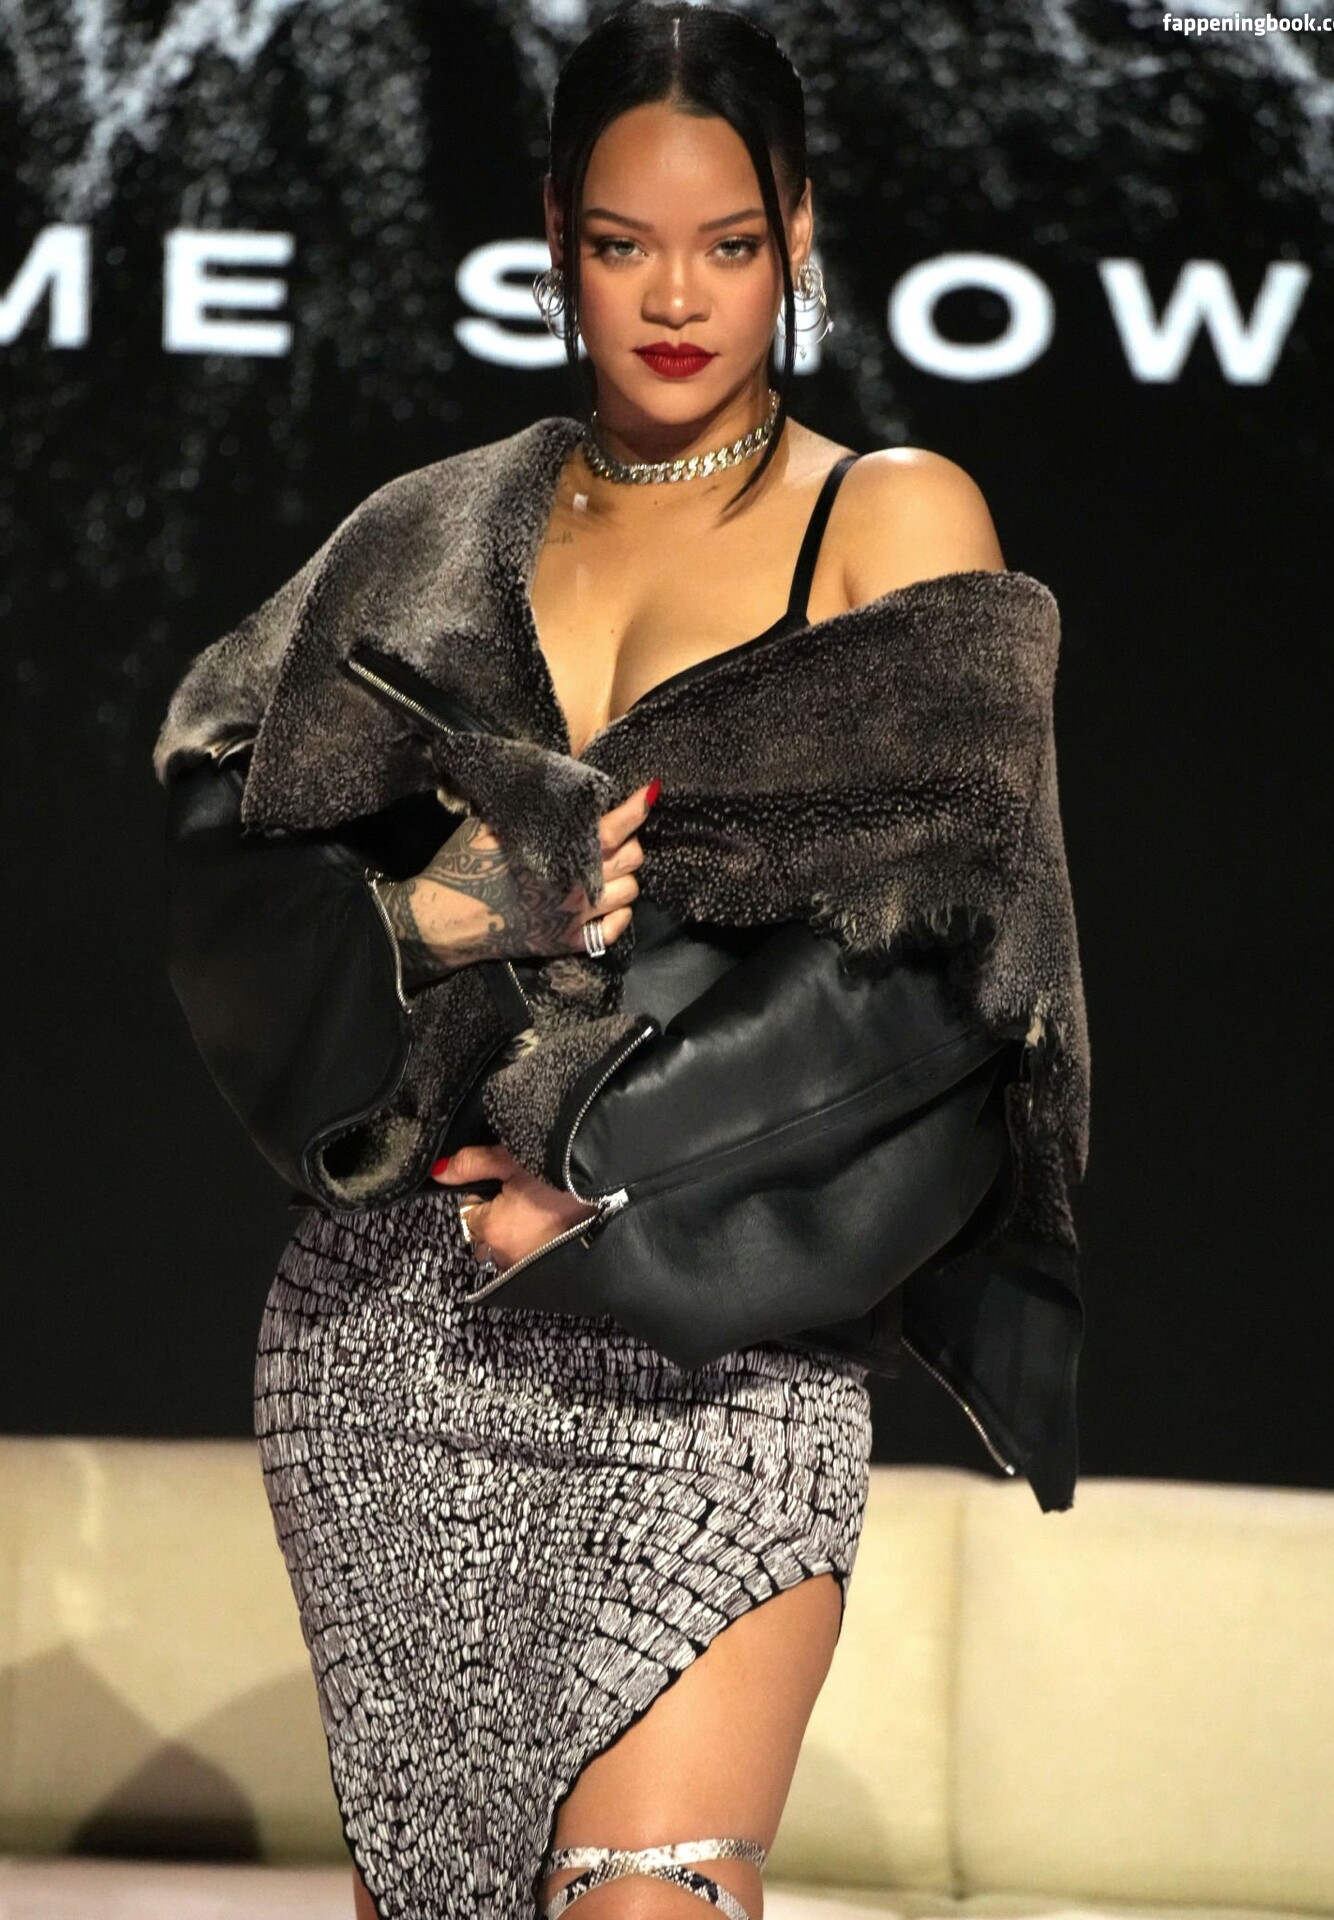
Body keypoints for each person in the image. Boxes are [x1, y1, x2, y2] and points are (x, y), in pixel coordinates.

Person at [158, 5, 1088, 1916]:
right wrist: (437, 908)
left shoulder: (890, 515)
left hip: (720, 1338)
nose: (674, 298)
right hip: (395, 1341)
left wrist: (598, 1179)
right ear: (554, 240)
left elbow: (952, 973)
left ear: (797, 233)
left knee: (648, 1893)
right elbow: (221, 866)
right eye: (621, 243)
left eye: (728, 244)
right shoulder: (425, 537)